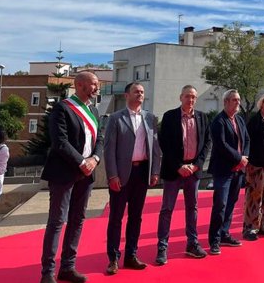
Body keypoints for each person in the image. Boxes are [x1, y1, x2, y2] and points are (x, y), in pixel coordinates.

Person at [39, 71, 104, 283]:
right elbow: (60, 142)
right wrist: (81, 162)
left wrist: (94, 159)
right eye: (94, 84)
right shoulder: (62, 108)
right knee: (57, 221)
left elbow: (100, 139)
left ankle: (68, 266)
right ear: (80, 85)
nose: (97, 88)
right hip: (64, 173)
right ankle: (47, 273)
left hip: (87, 174)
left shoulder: (93, 110)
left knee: (77, 220)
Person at [104, 82, 162, 276]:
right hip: (121, 175)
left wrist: (155, 171)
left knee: (136, 217)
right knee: (116, 218)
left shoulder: (150, 118)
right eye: (136, 91)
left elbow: (155, 148)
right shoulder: (115, 118)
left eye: (143, 92)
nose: (140, 94)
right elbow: (109, 149)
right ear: (127, 95)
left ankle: (131, 255)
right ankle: (113, 258)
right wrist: (112, 175)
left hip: (141, 173)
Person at [156, 85, 211, 265]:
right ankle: (162, 247)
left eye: (194, 97)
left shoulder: (203, 117)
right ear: (181, 97)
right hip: (174, 171)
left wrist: (196, 165)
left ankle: (192, 243)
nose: (191, 100)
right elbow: (165, 144)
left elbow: (206, 144)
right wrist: (179, 166)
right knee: (167, 209)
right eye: (187, 96)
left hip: (193, 172)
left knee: (192, 208)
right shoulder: (170, 116)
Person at [207, 89, 249, 255]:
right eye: (234, 100)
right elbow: (222, 145)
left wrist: (244, 157)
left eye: (238, 100)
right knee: (220, 205)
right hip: (224, 170)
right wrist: (239, 158)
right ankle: (214, 240)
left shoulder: (239, 119)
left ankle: (225, 233)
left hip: (238, 170)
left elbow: (246, 139)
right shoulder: (219, 121)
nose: (237, 103)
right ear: (225, 102)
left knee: (231, 203)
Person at [242, 93, 264, 241]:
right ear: (261, 104)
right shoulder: (255, 121)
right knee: (254, 197)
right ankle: (250, 228)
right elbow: (247, 141)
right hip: (256, 165)